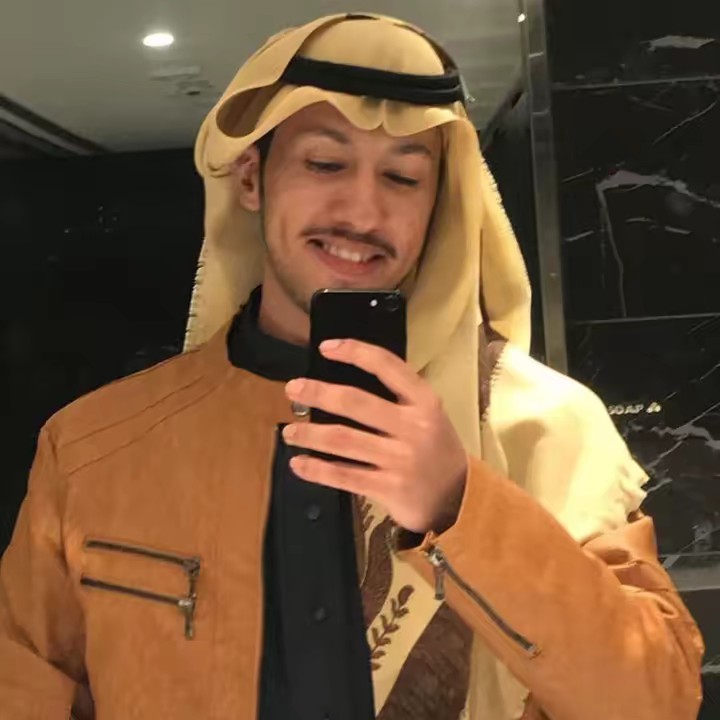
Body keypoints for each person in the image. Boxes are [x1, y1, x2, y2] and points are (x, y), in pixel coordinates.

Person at [0, 13, 704, 720]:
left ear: (438, 203)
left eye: (403, 176)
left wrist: (459, 504)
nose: (363, 211)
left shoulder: (544, 427)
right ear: (252, 177)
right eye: (325, 164)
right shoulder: (95, 448)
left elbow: (653, 704)